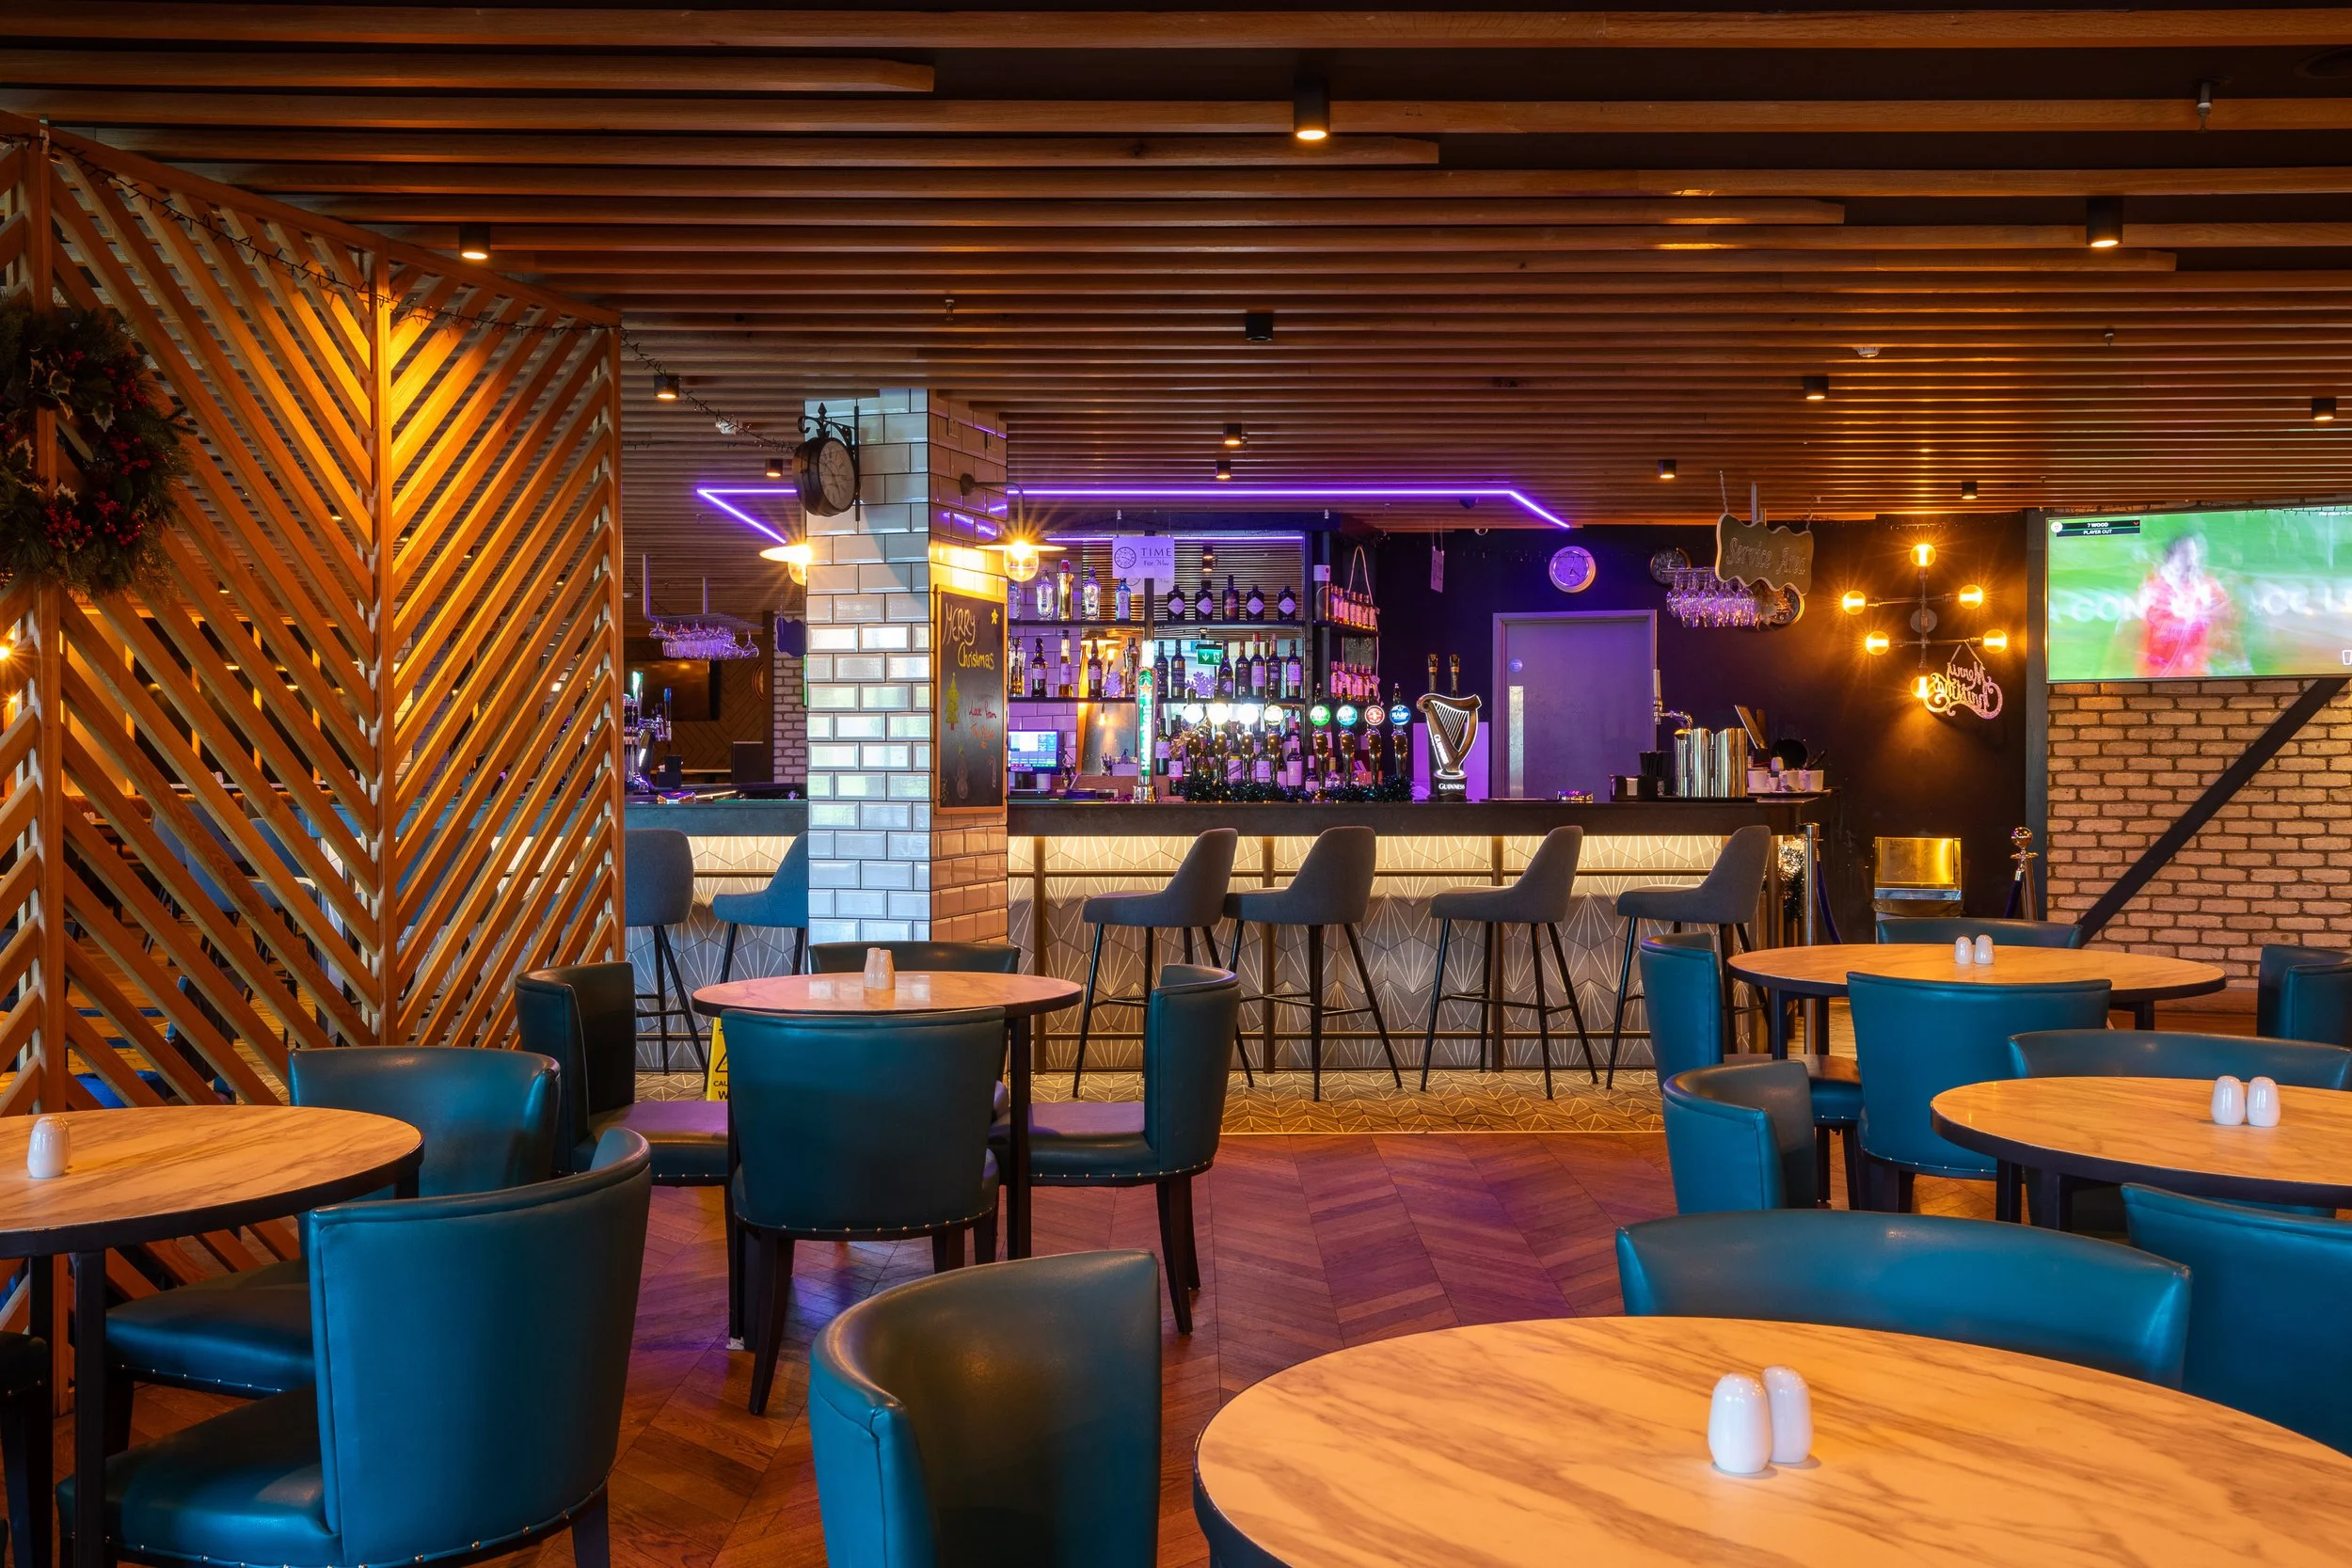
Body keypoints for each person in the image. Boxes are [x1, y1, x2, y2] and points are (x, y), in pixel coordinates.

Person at [2137, 532, 2236, 676]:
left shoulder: (2208, 588)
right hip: (2157, 677)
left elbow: (2227, 627)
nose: (2191, 560)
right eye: (2185, 555)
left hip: (2196, 677)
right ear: (2170, 559)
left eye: (2194, 555)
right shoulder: (2154, 589)